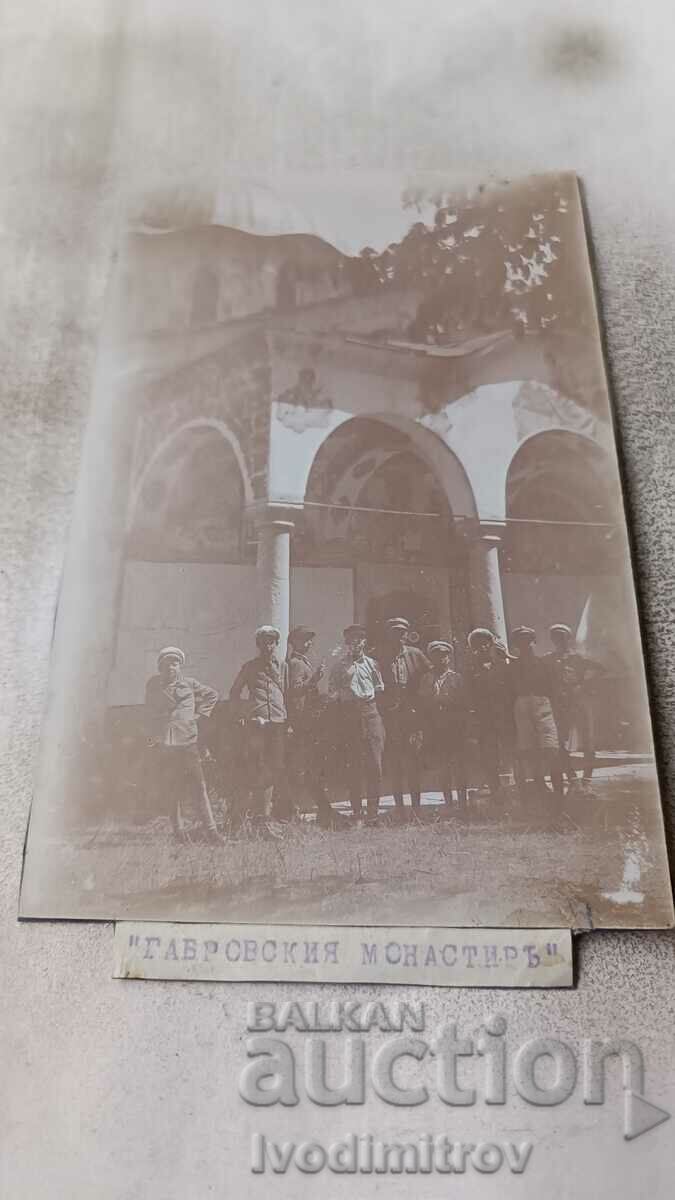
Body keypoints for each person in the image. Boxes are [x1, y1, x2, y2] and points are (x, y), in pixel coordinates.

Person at [145, 646, 223, 843]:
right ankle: (178, 832)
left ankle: (212, 831)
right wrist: (154, 735)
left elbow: (213, 695)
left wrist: (198, 716)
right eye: (166, 664)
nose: (171, 667)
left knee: (199, 786)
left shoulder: (189, 684)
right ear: (160, 667)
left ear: (180, 666)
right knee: (173, 788)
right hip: (166, 742)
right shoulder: (154, 686)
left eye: (175, 663)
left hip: (188, 741)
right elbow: (150, 713)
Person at [229, 626, 288, 828]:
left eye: (271, 642)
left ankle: (263, 818)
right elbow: (234, 693)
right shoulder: (249, 667)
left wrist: (287, 721)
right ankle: (243, 819)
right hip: (257, 725)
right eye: (263, 642)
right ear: (258, 645)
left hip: (278, 723)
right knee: (255, 768)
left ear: (276, 644)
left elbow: (285, 694)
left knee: (273, 768)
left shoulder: (283, 666)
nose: (268, 646)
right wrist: (247, 714)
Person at [327, 624, 385, 823]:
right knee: (354, 765)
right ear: (347, 643)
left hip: (370, 713)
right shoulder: (339, 667)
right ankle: (357, 812)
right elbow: (332, 693)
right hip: (350, 715)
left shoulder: (373, 664)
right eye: (352, 639)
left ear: (364, 642)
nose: (356, 643)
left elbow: (379, 689)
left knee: (375, 765)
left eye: (360, 639)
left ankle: (373, 812)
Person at [377, 616, 431, 814]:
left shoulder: (416, 654)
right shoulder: (380, 657)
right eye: (394, 633)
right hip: (390, 716)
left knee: (413, 759)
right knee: (394, 760)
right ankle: (399, 805)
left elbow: (429, 676)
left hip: (412, 715)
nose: (398, 637)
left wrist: (419, 702)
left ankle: (416, 805)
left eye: (401, 633)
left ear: (406, 635)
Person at [285, 625, 335, 827]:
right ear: (294, 642)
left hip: (307, 722)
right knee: (302, 768)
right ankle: (299, 810)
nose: (309, 644)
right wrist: (314, 679)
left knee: (307, 767)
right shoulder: (296, 664)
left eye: (309, 640)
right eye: (304, 640)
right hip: (301, 724)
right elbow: (295, 691)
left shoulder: (302, 662)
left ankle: (323, 810)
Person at [544, 623, 604, 783]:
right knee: (560, 739)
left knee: (587, 738)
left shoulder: (578, 658)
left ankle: (588, 776)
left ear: (568, 638)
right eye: (556, 637)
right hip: (560, 704)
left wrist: (584, 685)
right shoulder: (548, 659)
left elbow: (600, 669)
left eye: (563, 637)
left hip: (579, 701)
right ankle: (570, 773)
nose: (560, 640)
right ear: (552, 639)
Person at [509, 626, 563, 795]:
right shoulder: (512, 666)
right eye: (520, 642)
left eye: (528, 640)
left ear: (534, 641)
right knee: (530, 750)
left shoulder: (544, 664)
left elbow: (554, 688)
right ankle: (540, 787)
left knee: (551, 748)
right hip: (522, 706)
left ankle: (559, 791)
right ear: (517, 645)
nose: (525, 645)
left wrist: (558, 711)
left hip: (543, 706)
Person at [418, 640, 467, 810]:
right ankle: (448, 803)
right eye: (437, 656)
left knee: (459, 765)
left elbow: (463, 703)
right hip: (436, 726)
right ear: (431, 658)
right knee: (443, 766)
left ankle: (463, 802)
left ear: (449, 658)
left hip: (454, 726)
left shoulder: (456, 678)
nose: (441, 659)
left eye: (444, 656)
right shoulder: (426, 679)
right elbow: (423, 702)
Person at [465, 627, 513, 797]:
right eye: (478, 645)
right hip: (484, 717)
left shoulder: (503, 664)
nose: (483, 648)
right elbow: (469, 694)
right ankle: (494, 788)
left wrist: (506, 658)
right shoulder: (471, 669)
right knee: (488, 752)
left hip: (504, 715)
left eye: (486, 644)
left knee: (510, 749)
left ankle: (514, 785)